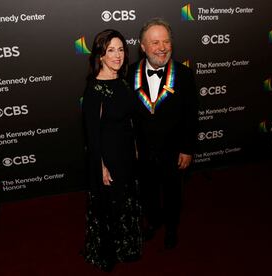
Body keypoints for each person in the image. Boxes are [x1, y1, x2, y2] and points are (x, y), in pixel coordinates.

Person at [127, 18, 198, 249]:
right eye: (155, 42)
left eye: (166, 41)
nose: (162, 47)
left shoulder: (185, 75)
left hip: (173, 150)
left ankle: (171, 228)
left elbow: (191, 116)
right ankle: (154, 222)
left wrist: (187, 149)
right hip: (142, 150)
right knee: (147, 191)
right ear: (143, 46)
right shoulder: (129, 74)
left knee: (173, 193)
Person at [82, 29, 142, 272]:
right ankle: (107, 252)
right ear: (100, 55)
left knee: (126, 202)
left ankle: (125, 247)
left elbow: (130, 120)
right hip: (108, 156)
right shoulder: (94, 90)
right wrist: (101, 166)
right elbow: (91, 135)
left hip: (126, 153)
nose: (117, 55)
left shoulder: (123, 82)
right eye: (110, 50)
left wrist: (136, 148)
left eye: (121, 49)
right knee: (110, 206)